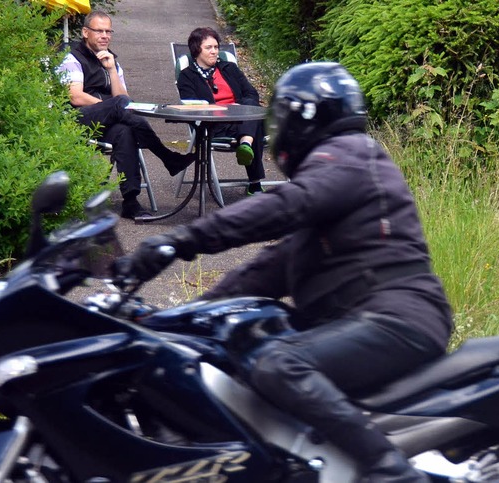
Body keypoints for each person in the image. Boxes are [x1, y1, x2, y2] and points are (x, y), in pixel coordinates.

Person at [116, 62, 454, 482]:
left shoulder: (351, 156)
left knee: (278, 364)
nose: (278, 130)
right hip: (372, 318)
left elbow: (283, 206)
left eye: (283, 119)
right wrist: (169, 324)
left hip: (396, 318)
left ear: (306, 117)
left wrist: (177, 241)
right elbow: (263, 272)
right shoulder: (332, 199)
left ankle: (392, 472)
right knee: (236, 352)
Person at [57, 11, 195, 219]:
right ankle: (166, 156)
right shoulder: (72, 57)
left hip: (107, 122)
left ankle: (131, 202)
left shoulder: (111, 59)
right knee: (121, 104)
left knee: (125, 132)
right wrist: (112, 106)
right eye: (99, 31)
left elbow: (125, 99)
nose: (105, 35)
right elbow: (75, 96)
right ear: (85, 32)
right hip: (78, 120)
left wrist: (111, 70)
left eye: (108, 31)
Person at [176, 27, 267, 196]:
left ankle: (245, 143)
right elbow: (192, 106)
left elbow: (252, 93)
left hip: (242, 119)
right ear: (197, 49)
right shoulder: (187, 76)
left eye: (216, 47)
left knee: (250, 105)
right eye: (209, 48)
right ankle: (254, 183)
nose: (214, 51)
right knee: (256, 121)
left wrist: (237, 108)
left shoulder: (229, 68)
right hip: (213, 125)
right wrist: (227, 109)